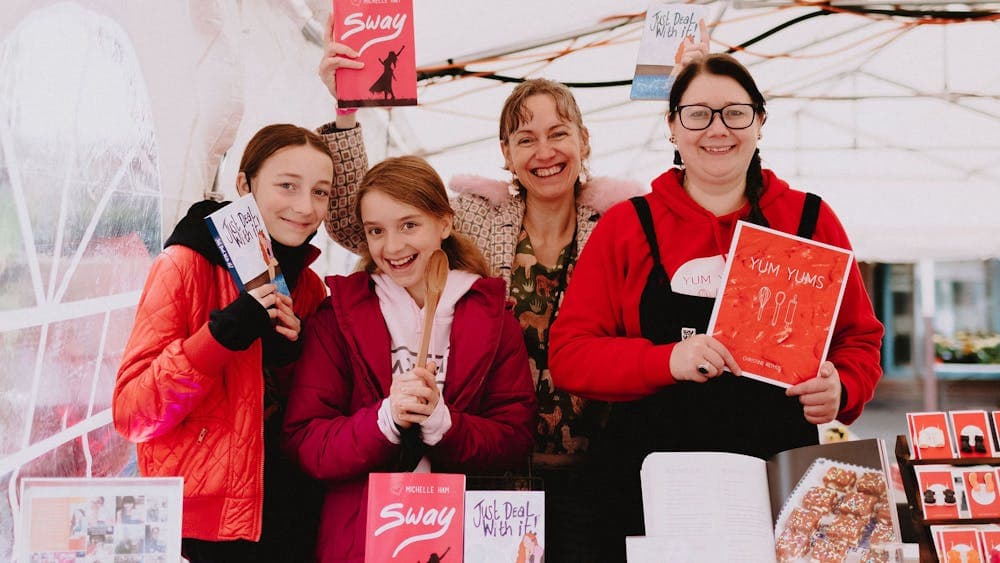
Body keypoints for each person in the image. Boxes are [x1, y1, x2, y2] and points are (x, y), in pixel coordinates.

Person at [319, 19, 645, 559]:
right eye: (525, 138)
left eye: (558, 134)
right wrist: (346, 111)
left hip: (595, 475)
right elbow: (364, 226)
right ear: (505, 151)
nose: (544, 151)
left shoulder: (620, 226)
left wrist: (683, 84)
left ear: (584, 141)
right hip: (488, 475)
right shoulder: (473, 214)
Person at [548, 53, 885, 560]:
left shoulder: (809, 219)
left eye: (735, 112)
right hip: (651, 487)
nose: (717, 129)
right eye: (698, 113)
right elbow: (571, 355)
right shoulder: (627, 226)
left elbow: (860, 339)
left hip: (780, 479)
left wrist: (844, 387)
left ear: (760, 122)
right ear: (673, 127)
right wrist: (665, 360)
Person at [113, 123, 362, 562]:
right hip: (203, 528)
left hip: (292, 515)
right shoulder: (184, 265)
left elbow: (305, 418)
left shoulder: (308, 288)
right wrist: (219, 337)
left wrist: (290, 360)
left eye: (320, 192)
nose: (305, 207)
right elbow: (133, 415)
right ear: (244, 184)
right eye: (287, 185)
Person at [282, 155, 536, 563]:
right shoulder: (337, 318)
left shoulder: (492, 317)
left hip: (465, 542)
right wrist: (384, 420)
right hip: (363, 542)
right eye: (376, 231)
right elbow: (305, 443)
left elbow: (515, 437)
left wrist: (445, 424)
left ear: (445, 224)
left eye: (409, 225)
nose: (393, 246)